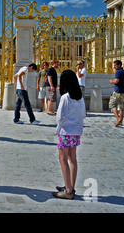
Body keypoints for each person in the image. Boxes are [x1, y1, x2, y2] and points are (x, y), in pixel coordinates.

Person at [52, 69, 86, 200]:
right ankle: (70, 186)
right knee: (73, 159)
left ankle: (67, 190)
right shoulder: (80, 97)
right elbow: (83, 115)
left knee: (63, 159)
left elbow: (59, 117)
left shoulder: (65, 97)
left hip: (66, 131)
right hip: (76, 131)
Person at [108, 60, 124, 127]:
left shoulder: (118, 72)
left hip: (118, 91)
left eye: (115, 65)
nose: (114, 67)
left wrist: (112, 81)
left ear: (119, 65)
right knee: (121, 107)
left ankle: (118, 118)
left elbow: (116, 81)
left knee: (112, 104)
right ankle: (120, 121)